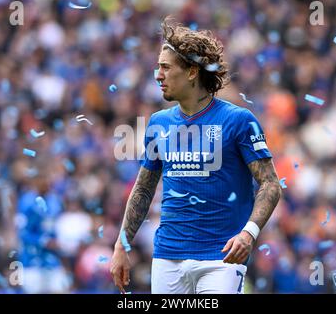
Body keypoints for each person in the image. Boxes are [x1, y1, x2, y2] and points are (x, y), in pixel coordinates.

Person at [110, 18, 282, 294]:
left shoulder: (238, 120)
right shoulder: (158, 123)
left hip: (221, 258)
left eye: (165, 67)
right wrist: (122, 244)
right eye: (158, 67)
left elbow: (271, 183)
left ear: (191, 72)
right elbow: (143, 188)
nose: (158, 75)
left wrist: (249, 233)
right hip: (167, 257)